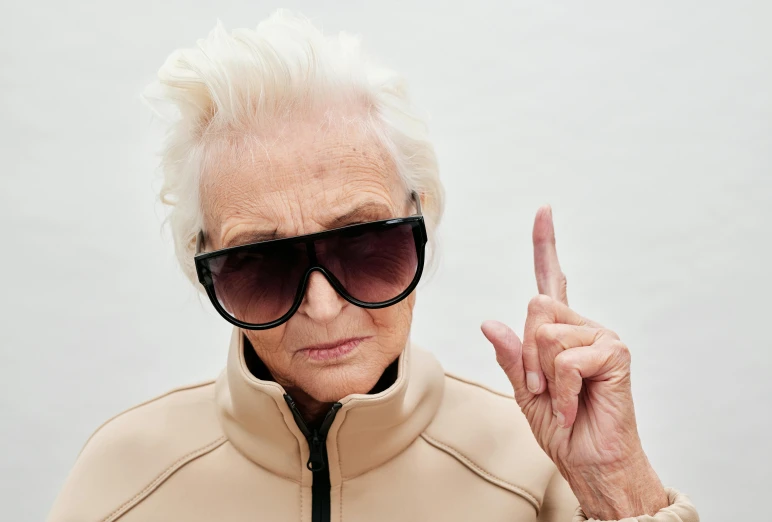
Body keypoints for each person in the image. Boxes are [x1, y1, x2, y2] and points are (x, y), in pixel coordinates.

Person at [48, 10, 699, 522]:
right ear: (204, 268)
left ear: (423, 219)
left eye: (364, 244)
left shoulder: (539, 475)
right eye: (258, 262)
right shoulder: (121, 483)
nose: (323, 307)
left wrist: (615, 485)